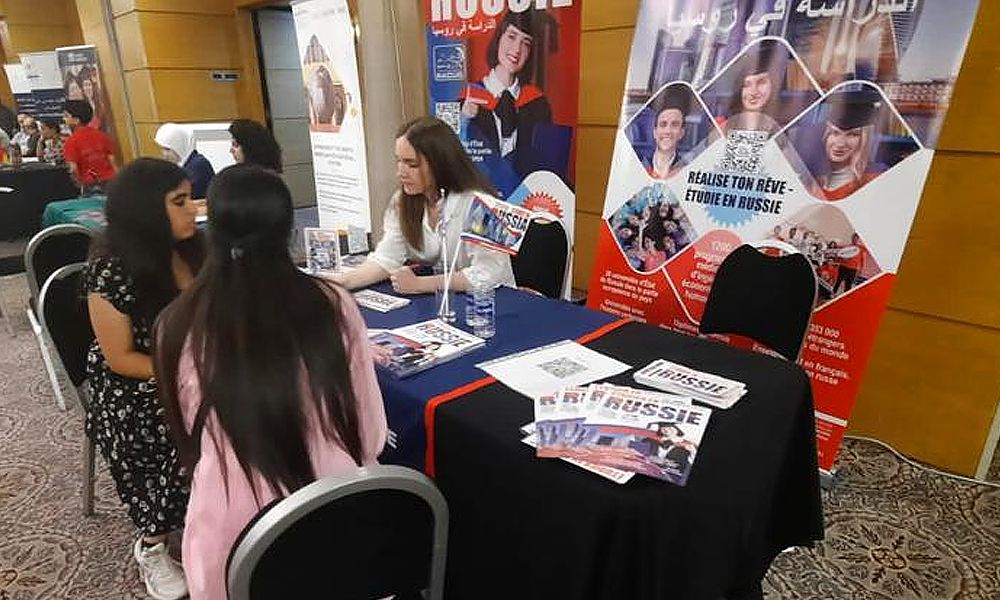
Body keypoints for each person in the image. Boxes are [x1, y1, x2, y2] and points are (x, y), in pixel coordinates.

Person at [155, 164, 387, 600]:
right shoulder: (331, 302)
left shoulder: (177, 324)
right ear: (289, 229)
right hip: (339, 513)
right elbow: (369, 432)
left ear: (214, 230)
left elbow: (191, 433)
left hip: (232, 536)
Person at [84, 158, 204, 600]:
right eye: (180, 201)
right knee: (168, 429)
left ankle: (220, 509)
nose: (193, 209)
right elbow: (119, 358)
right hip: (136, 387)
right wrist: (193, 371)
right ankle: (153, 543)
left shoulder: (195, 249)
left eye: (189, 198)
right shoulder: (110, 271)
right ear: (146, 212)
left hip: (193, 367)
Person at [331, 116, 515, 293]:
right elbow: (386, 258)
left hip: (492, 305)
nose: (401, 173)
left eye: (412, 164)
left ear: (440, 164)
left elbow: (490, 274)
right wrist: (340, 283)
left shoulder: (481, 206)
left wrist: (421, 284)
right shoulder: (401, 201)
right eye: (399, 161)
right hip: (442, 302)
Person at [460, 9, 553, 180]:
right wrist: (464, 121)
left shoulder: (538, 105)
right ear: (498, 38)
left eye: (526, 43)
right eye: (511, 36)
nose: (517, 49)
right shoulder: (466, 101)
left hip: (523, 199)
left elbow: (545, 166)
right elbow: (452, 161)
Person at [810, 91, 881, 201]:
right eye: (835, 133)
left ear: (865, 139)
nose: (840, 143)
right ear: (826, 135)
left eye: (852, 134)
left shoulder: (873, 180)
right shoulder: (814, 181)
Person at [719, 39, 783, 134]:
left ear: (774, 85)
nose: (753, 92)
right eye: (746, 85)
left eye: (761, 82)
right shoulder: (722, 126)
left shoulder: (781, 129)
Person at [63, 99, 117, 194]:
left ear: (76, 120)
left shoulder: (71, 141)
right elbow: (112, 161)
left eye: (66, 116)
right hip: (110, 181)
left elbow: (73, 169)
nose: (63, 119)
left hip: (89, 184)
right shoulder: (102, 135)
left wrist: (78, 183)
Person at [155, 123, 216, 198]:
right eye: (162, 149)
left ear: (178, 146)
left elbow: (184, 196)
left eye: (168, 149)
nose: (164, 154)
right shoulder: (184, 164)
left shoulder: (198, 165)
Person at [642, 92, 688, 179]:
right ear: (655, 133)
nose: (668, 131)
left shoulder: (686, 170)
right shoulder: (639, 165)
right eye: (663, 124)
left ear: (681, 133)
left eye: (674, 125)